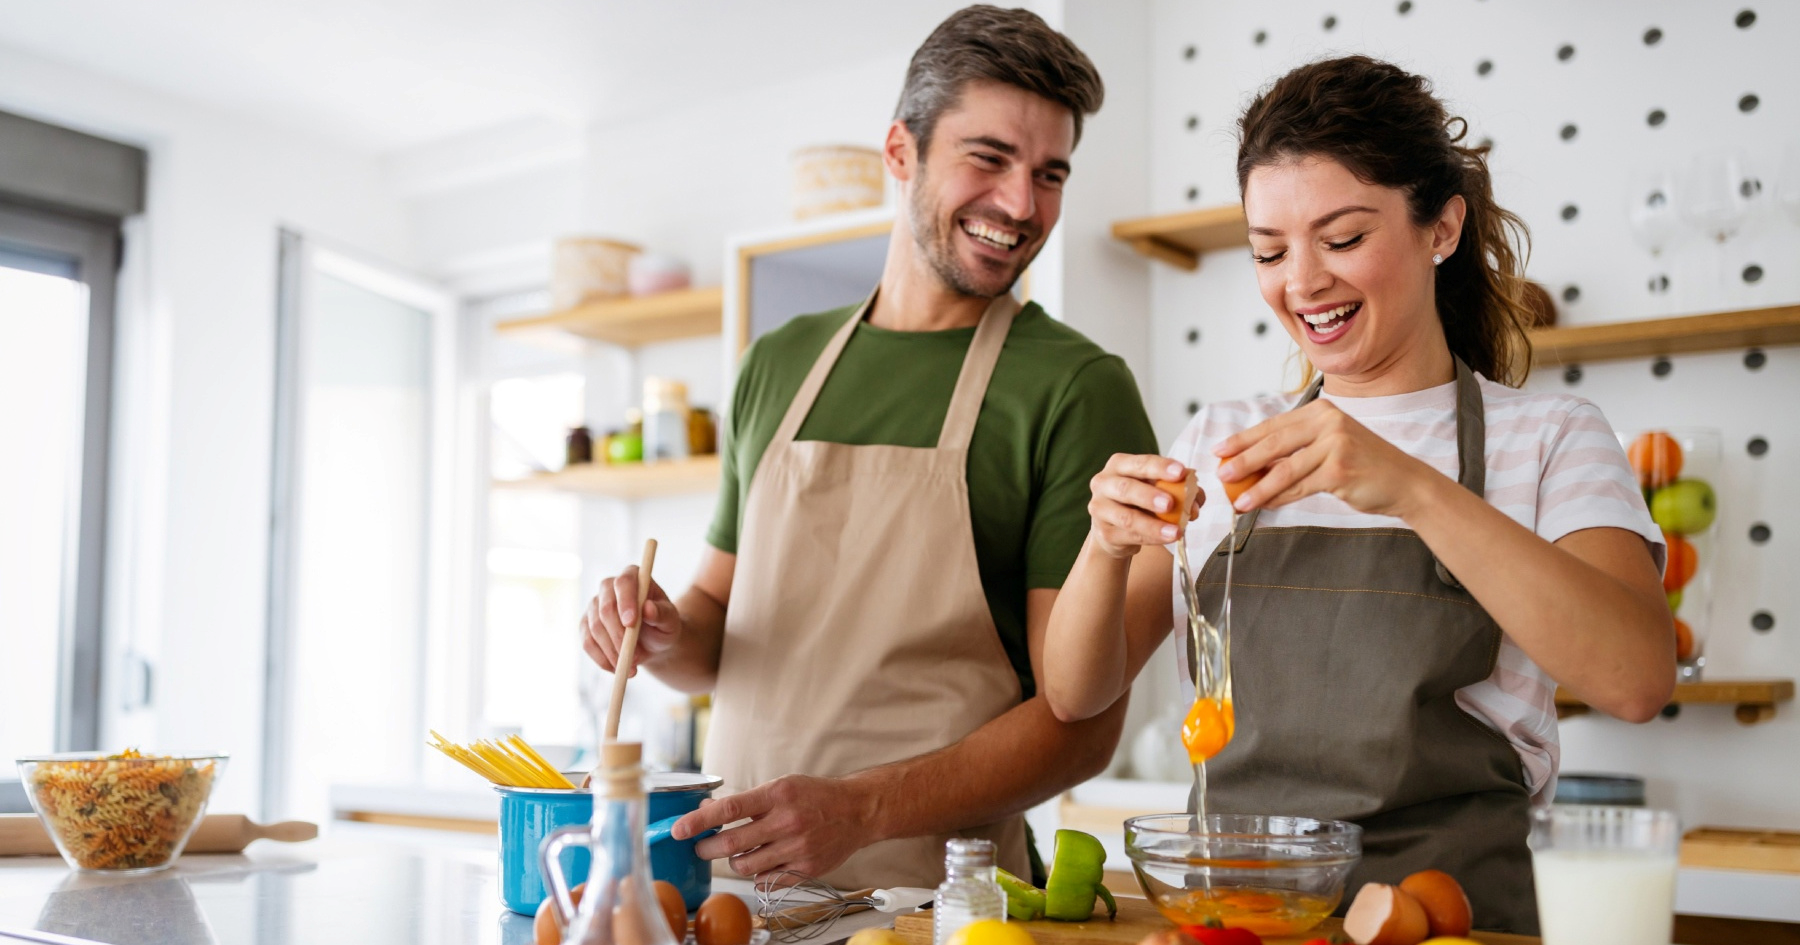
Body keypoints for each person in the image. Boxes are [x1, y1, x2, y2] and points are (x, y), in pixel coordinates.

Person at [1041, 56, 1674, 934]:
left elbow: (1638, 677)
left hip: (1454, 919)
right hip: (1238, 920)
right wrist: (1104, 545)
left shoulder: (1552, 438)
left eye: (1341, 239)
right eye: (1268, 250)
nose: (1301, 281)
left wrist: (1411, 486)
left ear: (1440, 227)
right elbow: (1075, 693)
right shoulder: (1225, 438)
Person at [580, 5, 1159, 889]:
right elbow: (713, 634)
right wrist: (654, 632)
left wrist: (861, 810)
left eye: (1050, 174)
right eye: (989, 158)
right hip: (733, 892)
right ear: (901, 152)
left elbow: (1081, 722)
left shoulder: (1074, 387)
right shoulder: (778, 360)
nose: (1021, 205)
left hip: (939, 906)